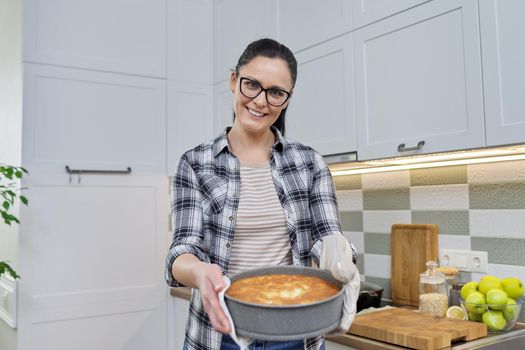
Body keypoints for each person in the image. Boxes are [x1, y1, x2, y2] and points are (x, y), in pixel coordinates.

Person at [165, 38, 358, 350]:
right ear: (233, 81)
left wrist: (338, 251)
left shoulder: (309, 162)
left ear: (287, 99)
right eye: (251, 85)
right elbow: (181, 252)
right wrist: (201, 272)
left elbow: (328, 237)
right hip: (218, 332)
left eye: (276, 92)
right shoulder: (195, 163)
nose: (260, 101)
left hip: (296, 332)